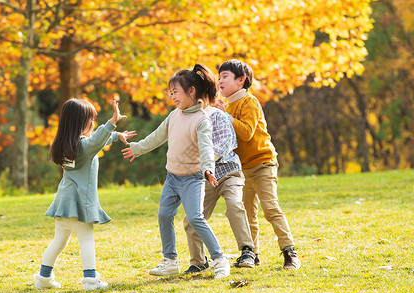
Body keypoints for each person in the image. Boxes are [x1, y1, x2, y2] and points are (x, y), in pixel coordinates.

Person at [122, 64, 230, 279]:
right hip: (172, 177)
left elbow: (207, 147)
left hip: (193, 179)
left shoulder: (202, 120)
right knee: (164, 214)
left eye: (176, 92)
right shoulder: (174, 115)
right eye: (170, 93)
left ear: (191, 92)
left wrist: (208, 168)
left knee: (195, 218)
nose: (172, 97)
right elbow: (157, 136)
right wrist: (137, 148)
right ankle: (170, 260)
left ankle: (219, 259)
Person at [33, 99, 136, 291]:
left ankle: (43, 278)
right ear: (81, 122)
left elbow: (96, 141)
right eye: (92, 120)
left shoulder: (65, 144)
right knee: (87, 241)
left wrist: (115, 136)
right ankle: (90, 281)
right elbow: (96, 141)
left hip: (63, 204)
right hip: (80, 205)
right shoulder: (84, 147)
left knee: (58, 242)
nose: (94, 124)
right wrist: (112, 122)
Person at [216, 59, 301, 269]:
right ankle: (251, 255)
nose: (219, 81)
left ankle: (289, 252)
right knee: (247, 214)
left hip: (263, 164)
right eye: (219, 77)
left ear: (241, 80)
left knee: (271, 209)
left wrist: (225, 116)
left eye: (224, 76)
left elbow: (246, 133)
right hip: (242, 170)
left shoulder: (249, 102)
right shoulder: (226, 107)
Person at [182, 91, 255, 273]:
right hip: (204, 179)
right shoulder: (188, 120)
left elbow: (223, 146)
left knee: (234, 205)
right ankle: (198, 262)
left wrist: (199, 162)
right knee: (191, 219)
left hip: (228, 173)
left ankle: (247, 251)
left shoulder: (218, 116)